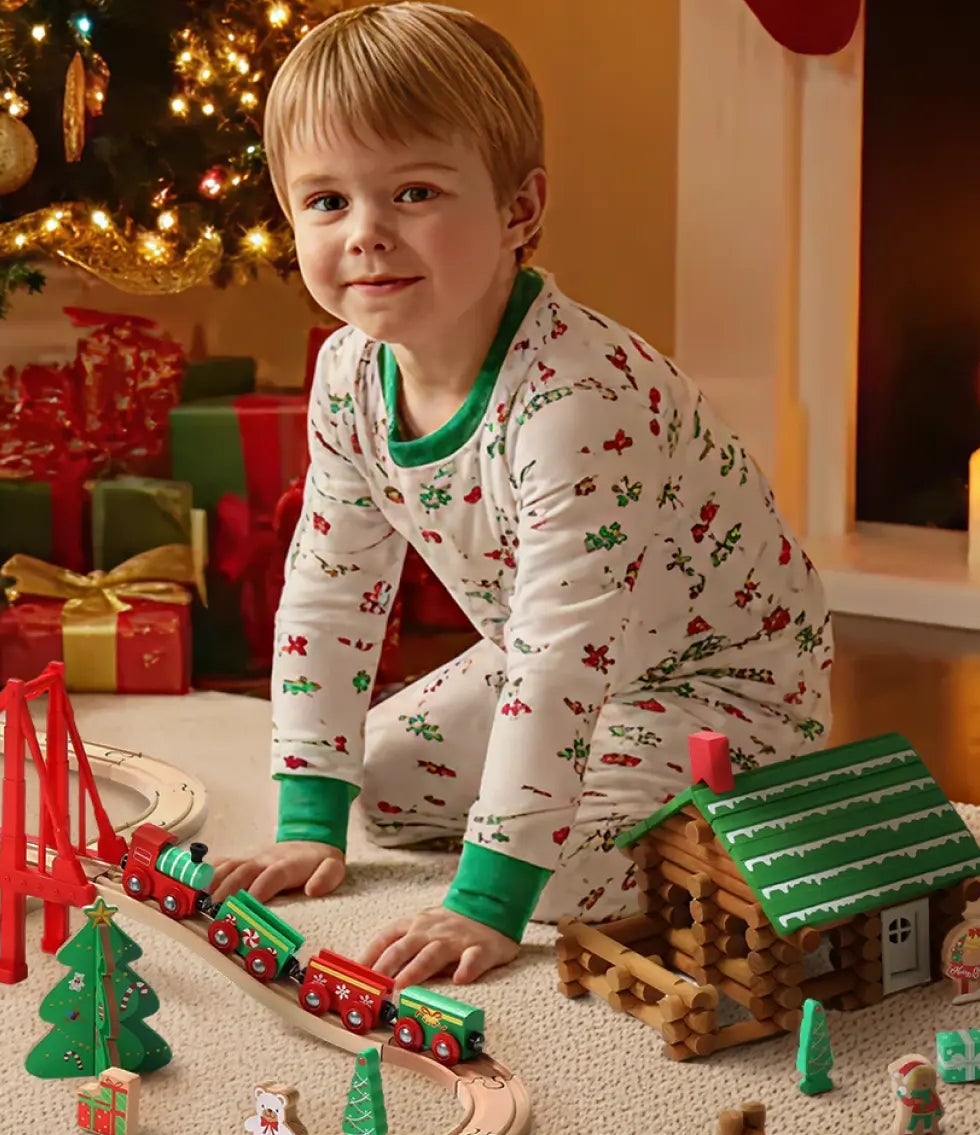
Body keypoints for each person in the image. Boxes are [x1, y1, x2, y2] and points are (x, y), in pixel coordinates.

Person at [202, 3, 830, 986]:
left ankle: (770, 803)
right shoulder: (348, 375)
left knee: (555, 875)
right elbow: (329, 592)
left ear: (518, 211)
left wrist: (488, 900)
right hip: (551, 663)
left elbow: (560, 653)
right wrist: (306, 824)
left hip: (717, 692)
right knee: (382, 790)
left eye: (413, 192)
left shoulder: (575, 401)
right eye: (326, 202)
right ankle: (558, 810)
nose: (366, 235)